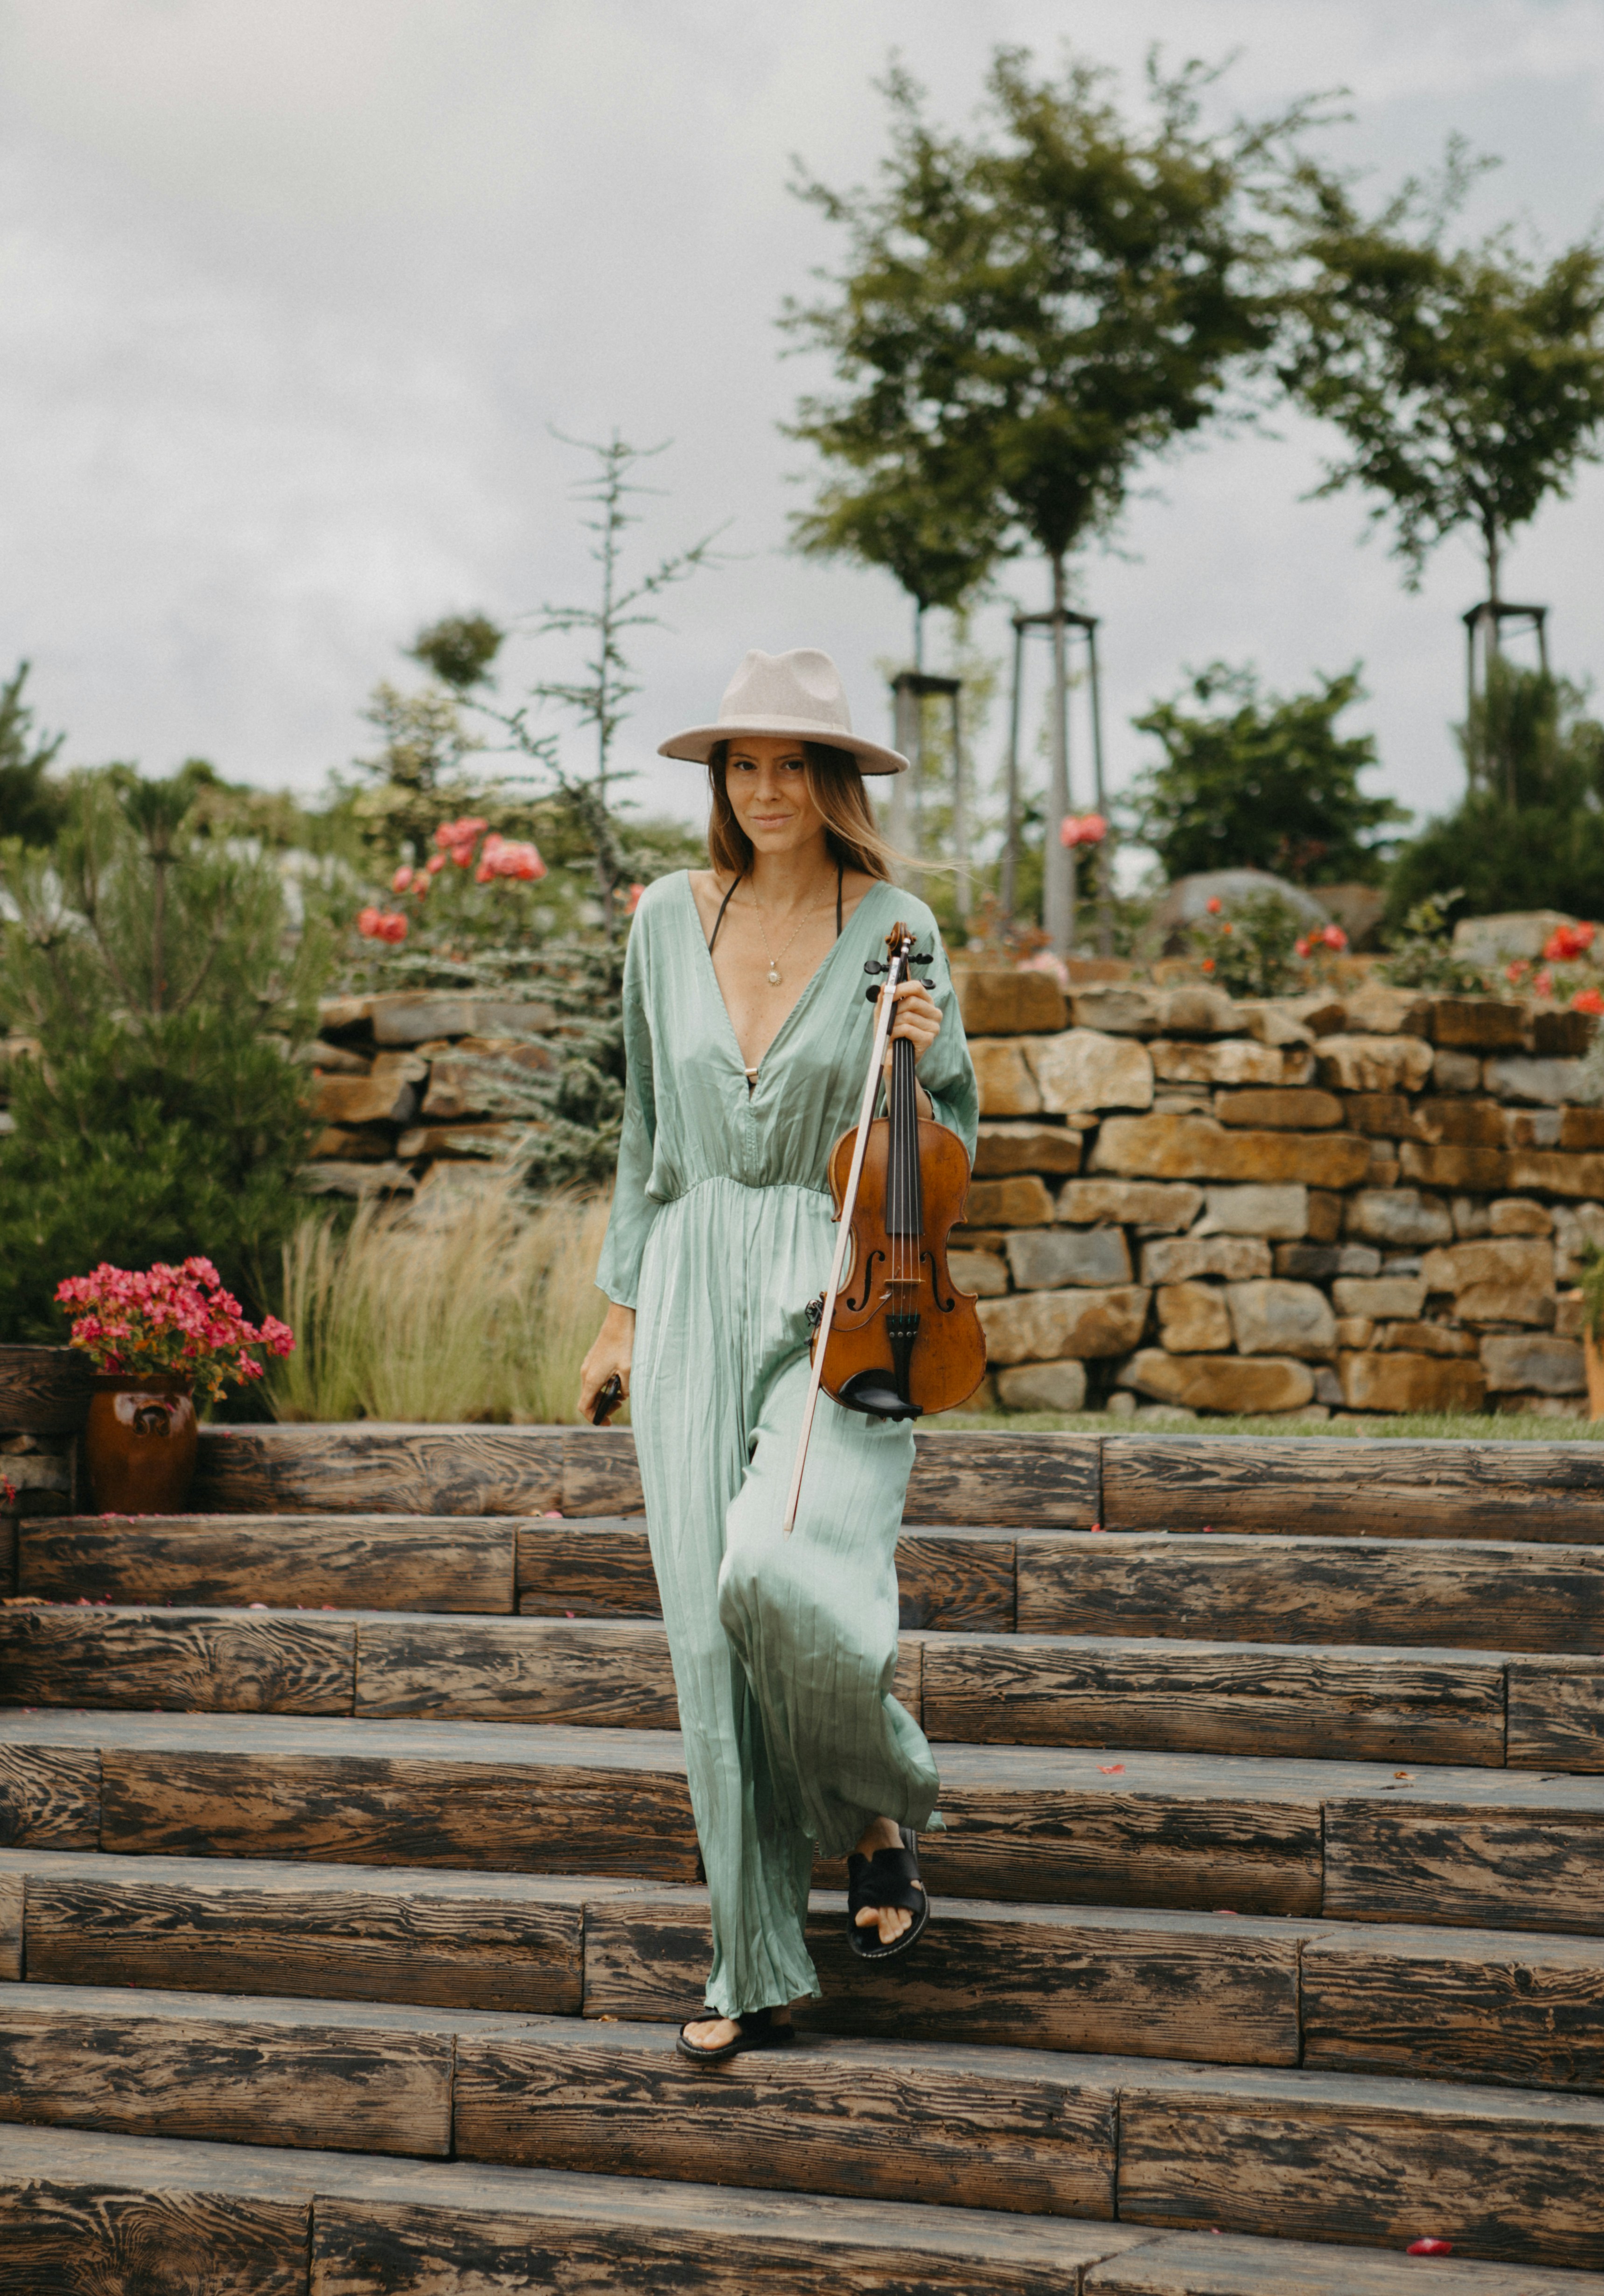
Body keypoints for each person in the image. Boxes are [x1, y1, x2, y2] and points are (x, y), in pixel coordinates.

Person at [579, 647, 979, 2064]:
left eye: (791, 764)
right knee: (706, 1637)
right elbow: (643, 1135)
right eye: (740, 764)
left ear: (836, 782)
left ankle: (881, 1802)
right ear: (718, 780)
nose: (764, 789)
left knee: (778, 1569)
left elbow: (950, 1151)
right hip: (687, 1277)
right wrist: (621, 1307)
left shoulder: (900, 927)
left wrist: (917, 1061)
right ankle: (749, 1960)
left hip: (839, 1289)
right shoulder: (661, 920)